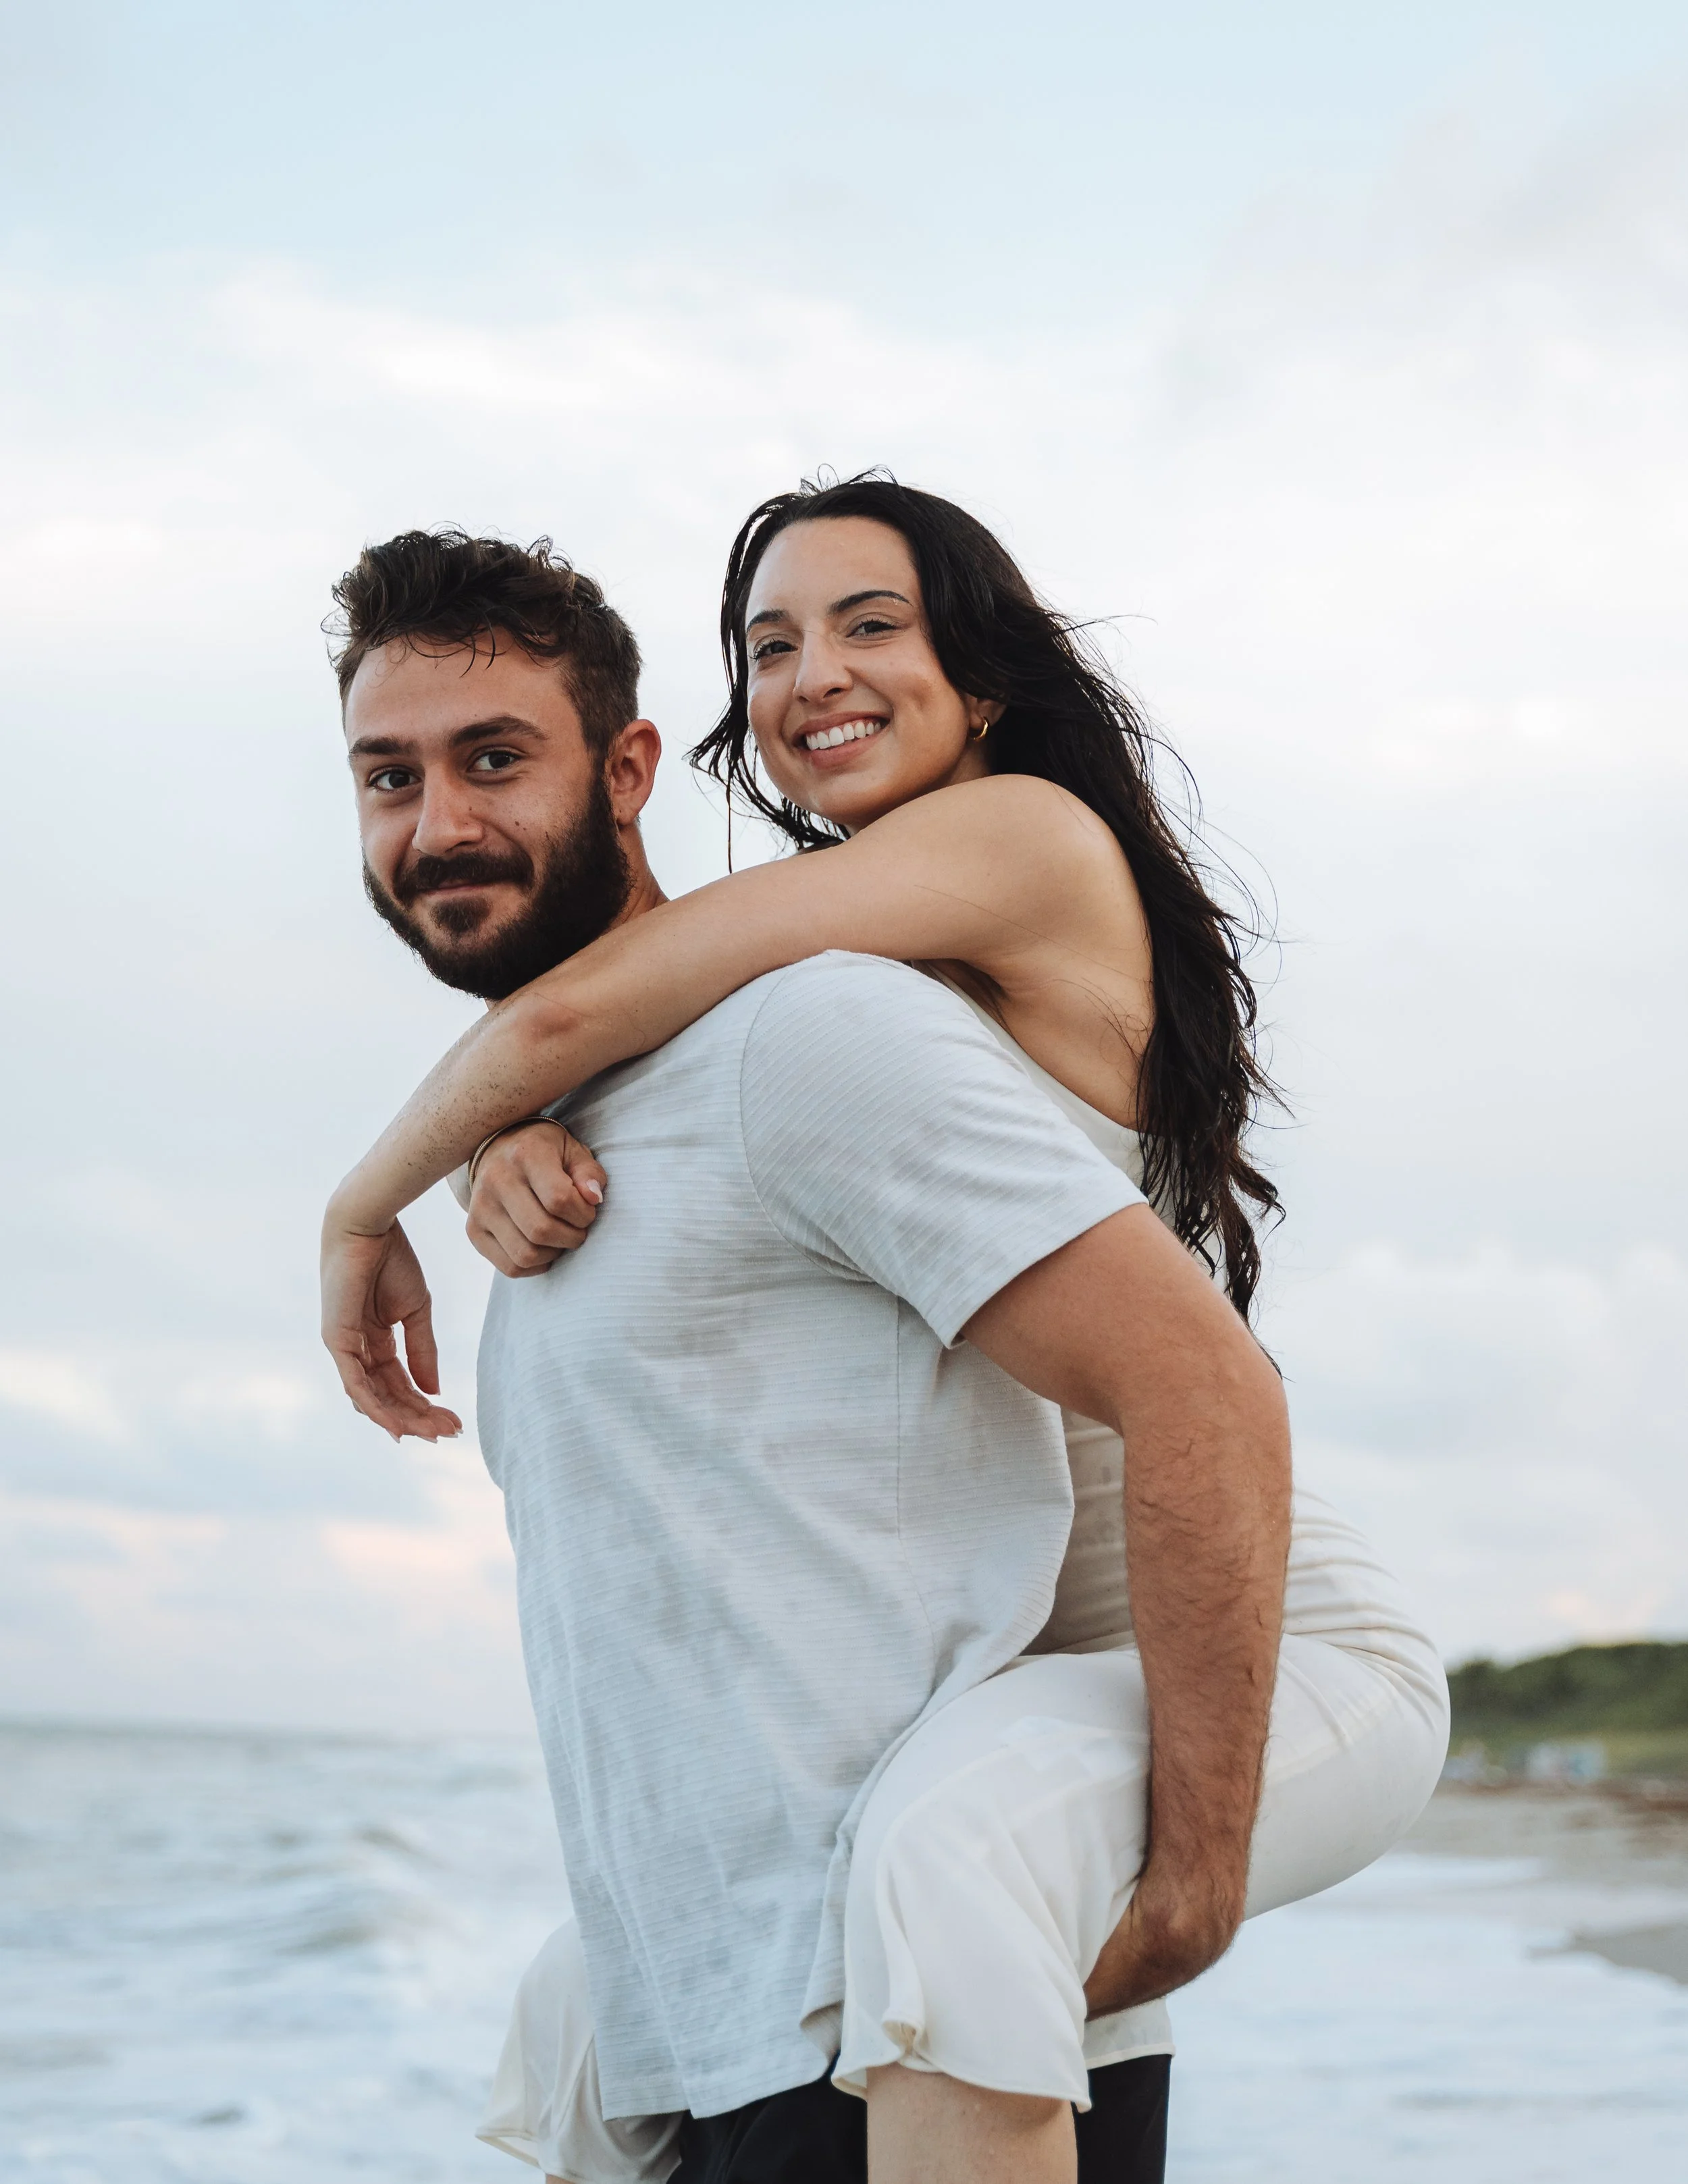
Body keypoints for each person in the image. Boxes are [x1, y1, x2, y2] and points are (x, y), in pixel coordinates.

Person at [321, 489, 1448, 2184]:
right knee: (588, 1988)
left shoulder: (995, 858)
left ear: (976, 674)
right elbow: (626, 1017)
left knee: (947, 1858)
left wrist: (362, 1203)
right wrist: (502, 1135)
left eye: (870, 625)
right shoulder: (821, 958)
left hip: (1258, 1643)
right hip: (969, 1747)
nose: (811, 675)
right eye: (769, 644)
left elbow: (605, 1003)